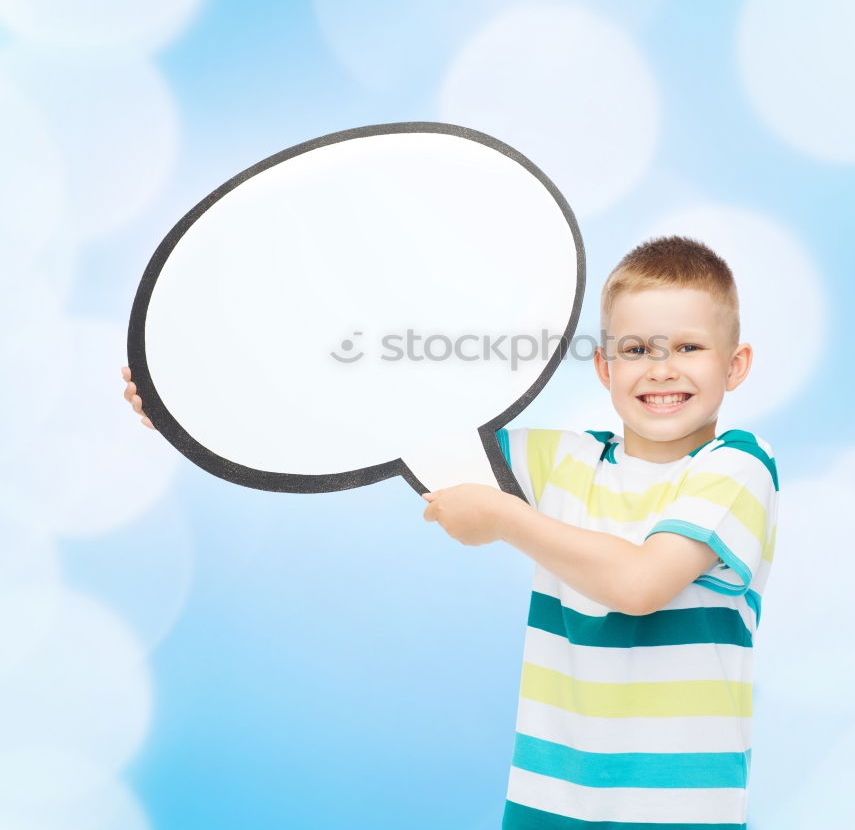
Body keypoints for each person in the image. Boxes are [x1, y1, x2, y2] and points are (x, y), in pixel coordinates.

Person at [122, 233, 779, 830]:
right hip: (547, 805)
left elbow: (640, 582)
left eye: (688, 347)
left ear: (735, 364)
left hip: (683, 812)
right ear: (605, 369)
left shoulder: (739, 467)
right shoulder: (563, 459)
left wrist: (506, 519)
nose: (661, 369)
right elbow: (383, 422)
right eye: (637, 349)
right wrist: (193, 401)